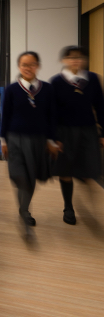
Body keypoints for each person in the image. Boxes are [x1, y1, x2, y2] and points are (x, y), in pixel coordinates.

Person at [1, 51, 59, 235]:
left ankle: (23, 210)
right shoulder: (12, 89)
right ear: (19, 67)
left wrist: (52, 141)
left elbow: (52, 117)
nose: (28, 68)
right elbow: (6, 117)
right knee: (20, 176)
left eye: (32, 64)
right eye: (24, 65)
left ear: (38, 66)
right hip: (15, 139)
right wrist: (3, 141)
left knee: (31, 178)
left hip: (38, 140)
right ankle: (24, 211)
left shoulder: (48, 89)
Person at [50, 46, 104, 225]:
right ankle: (68, 207)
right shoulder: (57, 81)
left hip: (88, 131)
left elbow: (101, 107)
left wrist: (102, 132)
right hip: (64, 132)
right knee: (65, 170)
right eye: (71, 57)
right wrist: (54, 136)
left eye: (79, 57)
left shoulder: (92, 79)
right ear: (64, 60)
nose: (76, 60)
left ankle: (82, 180)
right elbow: (52, 112)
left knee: (91, 169)